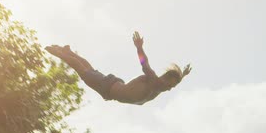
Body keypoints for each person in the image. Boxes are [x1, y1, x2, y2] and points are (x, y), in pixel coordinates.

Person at [45, 31, 191, 105]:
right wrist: (139, 47)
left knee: (89, 70)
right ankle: (60, 52)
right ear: (164, 78)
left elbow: (173, 83)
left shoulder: (160, 87)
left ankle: (68, 52)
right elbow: (144, 64)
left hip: (113, 88)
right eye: (170, 85)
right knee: (84, 71)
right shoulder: (154, 81)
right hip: (110, 88)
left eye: (172, 87)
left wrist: (182, 75)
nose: (170, 89)